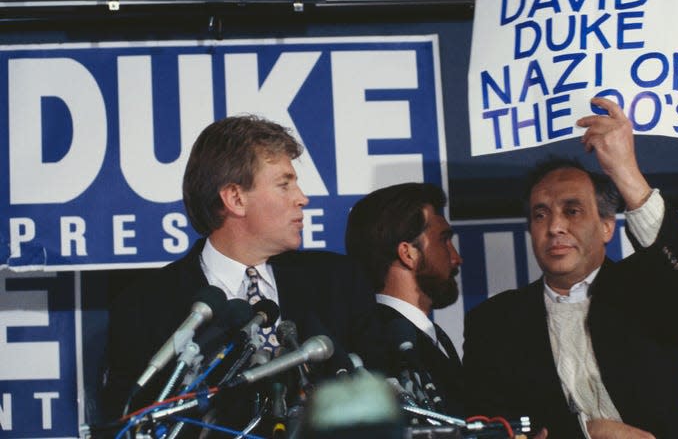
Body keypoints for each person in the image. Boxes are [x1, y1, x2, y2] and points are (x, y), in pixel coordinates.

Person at [102, 115, 378, 426]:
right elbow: (127, 421)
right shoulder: (144, 305)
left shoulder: (338, 281)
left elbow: (385, 399)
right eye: (284, 185)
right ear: (235, 198)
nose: (302, 198)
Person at [462, 97, 678, 439]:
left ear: (607, 226)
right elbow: (490, 428)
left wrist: (626, 171)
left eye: (573, 210)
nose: (555, 227)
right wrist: (586, 432)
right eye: (540, 214)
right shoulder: (494, 323)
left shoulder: (645, 290)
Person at [345, 182, 466, 416]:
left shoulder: (429, 336)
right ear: (408, 253)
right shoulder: (381, 344)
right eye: (444, 240)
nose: (456, 258)